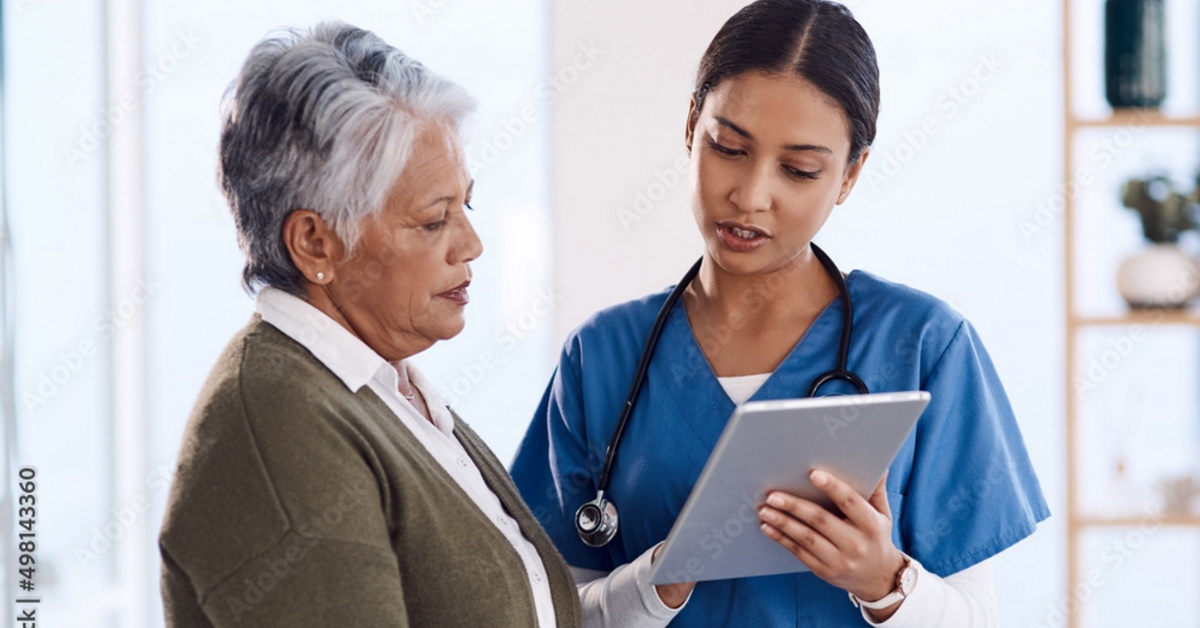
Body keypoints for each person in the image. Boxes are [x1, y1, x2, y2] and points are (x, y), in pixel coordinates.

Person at [510, 1, 1050, 626]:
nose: (750, 195)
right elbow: (548, 612)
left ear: (850, 175)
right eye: (729, 148)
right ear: (692, 125)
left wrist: (882, 580)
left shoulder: (926, 346)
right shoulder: (603, 357)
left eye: (798, 170)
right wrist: (654, 584)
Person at [157, 22, 586, 627]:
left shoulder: (384, 390)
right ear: (315, 243)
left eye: (466, 205)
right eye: (434, 221)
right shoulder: (278, 427)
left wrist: (658, 583)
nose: (472, 243)